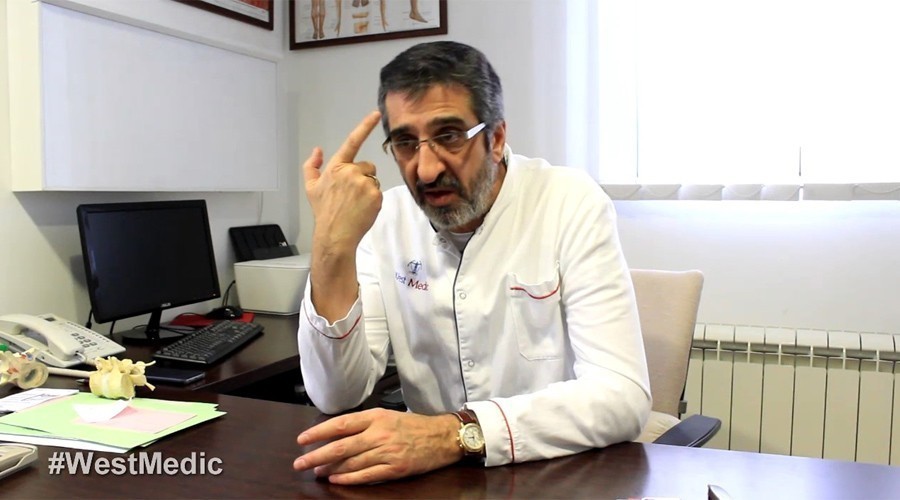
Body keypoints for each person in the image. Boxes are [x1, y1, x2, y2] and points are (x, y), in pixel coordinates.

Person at [293, 41, 650, 485]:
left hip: (555, 471)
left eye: (448, 136)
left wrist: (452, 434)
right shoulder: (384, 219)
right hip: (430, 479)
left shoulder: (569, 202)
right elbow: (336, 395)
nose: (425, 169)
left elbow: (622, 396)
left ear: (496, 139)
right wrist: (331, 244)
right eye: (405, 143)